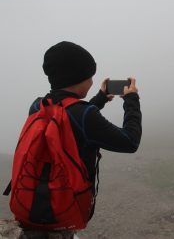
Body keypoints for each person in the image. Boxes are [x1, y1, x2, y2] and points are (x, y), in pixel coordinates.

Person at [23, 41, 142, 238]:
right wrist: (132, 100)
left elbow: (71, 117)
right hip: (62, 210)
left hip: (33, 204)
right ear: (78, 79)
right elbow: (130, 142)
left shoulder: (38, 106)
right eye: (90, 77)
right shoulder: (84, 115)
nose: (92, 82)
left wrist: (100, 99)